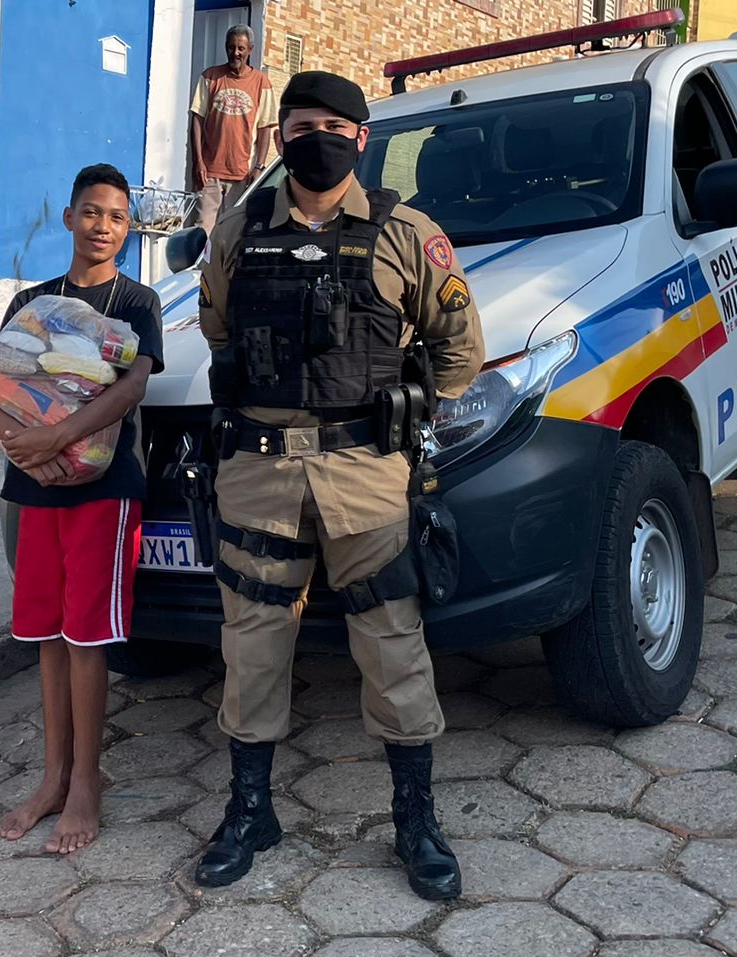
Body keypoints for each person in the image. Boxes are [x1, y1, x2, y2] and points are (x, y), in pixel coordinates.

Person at [194, 71, 484, 900]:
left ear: (361, 138)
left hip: (366, 473)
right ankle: (250, 813)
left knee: (392, 646)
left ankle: (415, 821)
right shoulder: (239, 230)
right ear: (280, 138)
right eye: (299, 127)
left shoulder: (407, 234)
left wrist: (411, 408)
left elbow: (460, 349)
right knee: (252, 646)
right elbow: (219, 326)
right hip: (259, 472)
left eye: (332, 126)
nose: (315, 139)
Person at [0, 163, 164, 855]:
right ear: (69, 217)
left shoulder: (137, 301)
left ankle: (86, 781)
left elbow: (131, 387)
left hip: (102, 493)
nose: (102, 226)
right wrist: (20, 447)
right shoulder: (33, 299)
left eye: (116, 217)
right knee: (47, 635)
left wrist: (58, 438)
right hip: (31, 486)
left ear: (127, 228)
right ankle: (52, 776)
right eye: (91, 212)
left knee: (86, 637)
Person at [190, 24, 278, 233]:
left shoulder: (261, 83)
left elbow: (265, 128)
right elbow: (197, 119)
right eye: (231, 47)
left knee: (233, 232)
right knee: (202, 230)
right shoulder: (211, 77)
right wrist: (198, 162)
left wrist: (259, 166)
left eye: (241, 48)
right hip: (210, 172)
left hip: (242, 174)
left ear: (250, 50)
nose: (235, 53)